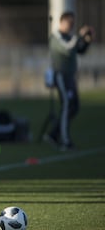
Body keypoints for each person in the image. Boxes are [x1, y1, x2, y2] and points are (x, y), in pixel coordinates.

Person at [44, 11, 94, 151]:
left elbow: (79, 50)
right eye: (69, 23)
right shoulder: (56, 36)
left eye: (73, 23)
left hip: (71, 77)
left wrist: (87, 39)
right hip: (61, 76)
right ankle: (65, 141)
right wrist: (79, 35)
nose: (71, 26)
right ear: (62, 22)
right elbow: (67, 48)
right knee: (66, 106)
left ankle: (54, 134)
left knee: (74, 107)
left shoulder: (70, 37)